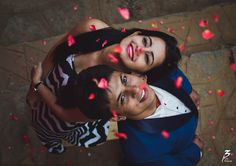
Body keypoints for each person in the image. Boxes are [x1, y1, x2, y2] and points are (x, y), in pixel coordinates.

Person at [27, 18, 199, 153]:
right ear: (136, 34)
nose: (140, 50)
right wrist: (34, 89)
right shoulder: (92, 27)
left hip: (57, 115)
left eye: (147, 58)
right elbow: (59, 49)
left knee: (48, 129)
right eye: (145, 42)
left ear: (141, 74)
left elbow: (66, 115)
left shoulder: (106, 93)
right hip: (45, 86)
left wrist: (39, 86)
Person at [70, 65, 203, 166]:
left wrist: (188, 89)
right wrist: (195, 151)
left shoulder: (152, 67)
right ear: (116, 116)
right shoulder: (143, 153)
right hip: (186, 142)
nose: (136, 90)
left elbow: (170, 68)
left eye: (124, 79)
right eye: (122, 98)